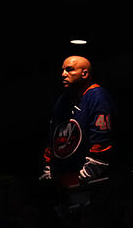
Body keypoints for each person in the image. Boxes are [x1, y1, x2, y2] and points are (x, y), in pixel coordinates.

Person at [41, 55, 114, 186]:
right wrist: (49, 174)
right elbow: (52, 140)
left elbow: (101, 139)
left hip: (84, 184)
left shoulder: (97, 96)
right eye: (63, 70)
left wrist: (84, 176)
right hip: (61, 183)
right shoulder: (62, 101)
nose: (63, 74)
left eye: (69, 70)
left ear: (84, 73)